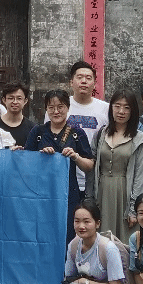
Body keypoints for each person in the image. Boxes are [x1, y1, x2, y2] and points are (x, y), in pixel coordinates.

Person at [25, 91, 94, 237]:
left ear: (68, 107)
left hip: (69, 192)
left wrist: (75, 157)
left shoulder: (76, 133)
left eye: (60, 107)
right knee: (43, 232)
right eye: (51, 107)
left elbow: (89, 166)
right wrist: (40, 156)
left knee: (67, 232)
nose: (56, 111)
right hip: (42, 193)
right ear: (46, 109)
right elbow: (26, 163)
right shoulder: (38, 132)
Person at [89, 90, 143, 243]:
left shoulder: (139, 139)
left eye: (127, 107)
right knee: (102, 241)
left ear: (133, 111)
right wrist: (90, 200)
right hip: (102, 193)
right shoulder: (101, 134)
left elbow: (140, 177)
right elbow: (92, 168)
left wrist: (134, 209)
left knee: (125, 243)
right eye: (117, 106)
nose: (121, 111)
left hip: (125, 194)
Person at [66, 60, 107, 196]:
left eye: (88, 78)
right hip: (67, 177)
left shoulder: (105, 109)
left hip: (96, 178)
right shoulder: (61, 107)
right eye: (79, 77)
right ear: (71, 82)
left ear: (94, 83)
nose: (84, 81)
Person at [0, 82, 35, 147]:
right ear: (4, 100)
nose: (15, 102)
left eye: (19, 98)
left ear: (25, 101)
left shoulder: (32, 128)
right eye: (11, 98)